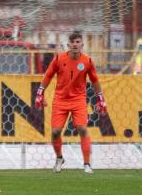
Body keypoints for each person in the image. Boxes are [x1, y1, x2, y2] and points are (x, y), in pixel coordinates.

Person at [35, 32, 108, 174]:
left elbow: (94, 81)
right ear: (68, 45)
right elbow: (48, 75)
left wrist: (101, 98)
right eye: (72, 42)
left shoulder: (87, 61)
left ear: (82, 45)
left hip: (78, 100)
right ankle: (59, 158)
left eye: (78, 41)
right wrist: (40, 92)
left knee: (82, 129)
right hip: (60, 99)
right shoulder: (59, 59)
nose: (75, 44)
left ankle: (87, 164)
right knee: (55, 132)